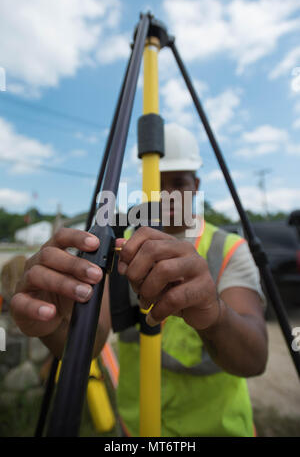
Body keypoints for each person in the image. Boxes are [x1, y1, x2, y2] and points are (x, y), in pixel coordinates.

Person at [11, 123, 268, 437]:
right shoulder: (117, 246)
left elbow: (255, 359)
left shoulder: (227, 249)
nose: (169, 194)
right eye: (158, 183)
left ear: (196, 185)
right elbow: (88, 345)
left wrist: (215, 314)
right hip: (135, 433)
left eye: (179, 182)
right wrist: (52, 325)